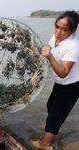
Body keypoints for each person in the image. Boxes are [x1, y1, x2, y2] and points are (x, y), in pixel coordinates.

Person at [32, 11, 79, 150]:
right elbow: (49, 49)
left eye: (64, 29)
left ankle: (44, 145)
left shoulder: (74, 46)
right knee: (51, 105)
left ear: (72, 31)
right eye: (57, 27)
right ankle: (52, 130)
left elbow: (64, 73)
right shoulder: (55, 38)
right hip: (60, 83)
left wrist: (50, 57)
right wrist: (39, 50)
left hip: (72, 85)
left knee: (56, 115)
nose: (58, 32)